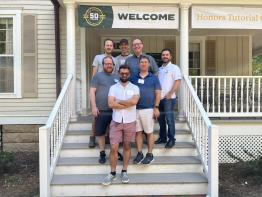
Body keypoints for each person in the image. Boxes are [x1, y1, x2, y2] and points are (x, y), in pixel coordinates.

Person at [102, 65, 140, 185]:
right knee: (113, 148)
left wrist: (118, 101)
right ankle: (112, 173)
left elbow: (134, 102)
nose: (124, 75)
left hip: (130, 121)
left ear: (129, 74)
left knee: (127, 146)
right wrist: (127, 104)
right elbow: (110, 104)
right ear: (119, 73)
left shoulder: (135, 88)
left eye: (126, 73)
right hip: (116, 121)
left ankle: (124, 171)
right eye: (122, 73)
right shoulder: (113, 88)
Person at [130, 55, 161, 165]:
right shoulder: (133, 78)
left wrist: (156, 107)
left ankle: (150, 154)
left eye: (145, 62)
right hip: (135, 109)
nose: (143, 63)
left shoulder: (154, 78)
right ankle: (139, 153)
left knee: (149, 132)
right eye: (141, 62)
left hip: (148, 109)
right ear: (139, 64)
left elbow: (158, 93)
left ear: (149, 64)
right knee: (137, 132)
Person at [89, 56, 119, 164]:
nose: (109, 65)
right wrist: (93, 107)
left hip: (115, 110)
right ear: (103, 65)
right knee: (101, 133)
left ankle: (114, 151)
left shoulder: (117, 77)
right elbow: (92, 92)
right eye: (106, 64)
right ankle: (102, 153)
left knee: (114, 133)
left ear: (113, 65)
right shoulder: (97, 76)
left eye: (110, 64)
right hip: (101, 109)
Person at [89, 38, 117, 148]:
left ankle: (106, 137)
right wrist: (94, 90)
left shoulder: (115, 60)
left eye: (111, 45)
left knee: (110, 119)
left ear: (113, 47)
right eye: (107, 45)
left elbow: (116, 73)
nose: (109, 47)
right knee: (96, 117)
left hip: (110, 91)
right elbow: (94, 73)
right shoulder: (98, 57)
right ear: (104, 46)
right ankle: (92, 137)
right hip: (99, 88)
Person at [155, 48, 182, 148]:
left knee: (169, 119)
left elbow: (178, 81)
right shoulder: (160, 69)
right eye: (163, 55)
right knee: (161, 120)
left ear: (170, 56)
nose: (165, 56)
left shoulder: (174, 68)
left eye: (167, 55)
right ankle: (163, 137)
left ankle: (171, 139)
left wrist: (170, 93)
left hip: (169, 99)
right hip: (159, 99)